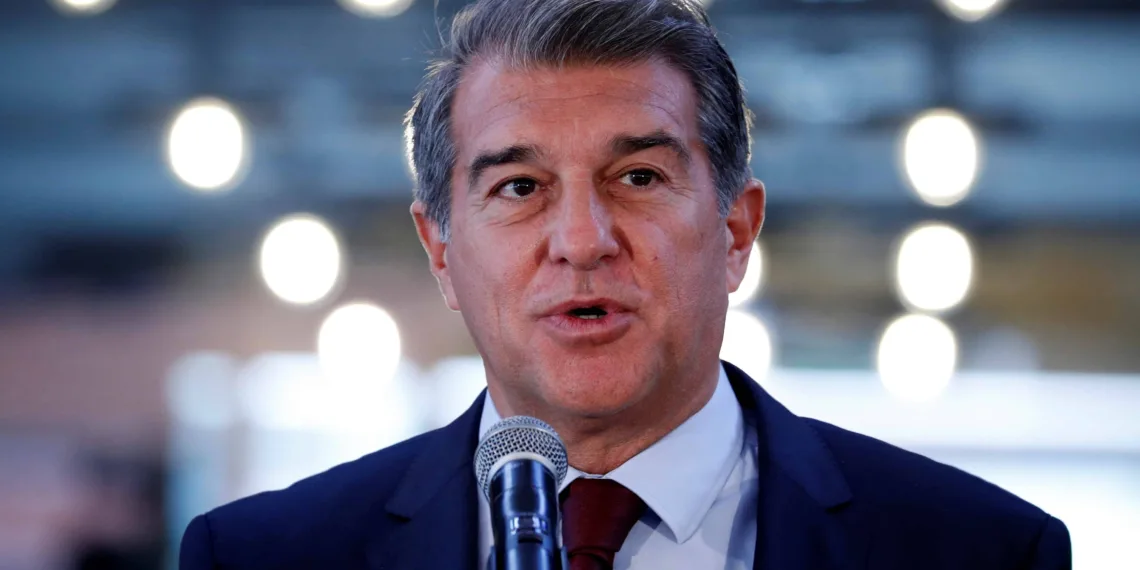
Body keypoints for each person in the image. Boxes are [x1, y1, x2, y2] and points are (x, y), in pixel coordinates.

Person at [179, 0, 1072, 568]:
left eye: (638, 178)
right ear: (441, 252)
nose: (582, 241)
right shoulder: (266, 555)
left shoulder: (978, 550)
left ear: (735, 230)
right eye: (520, 188)